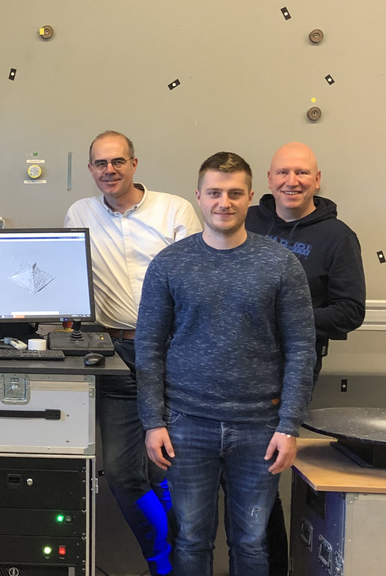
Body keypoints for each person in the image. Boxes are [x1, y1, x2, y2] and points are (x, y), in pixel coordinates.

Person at [137, 152, 316, 576]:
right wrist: (153, 421)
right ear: (198, 196)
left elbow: (301, 348)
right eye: (215, 193)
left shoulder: (280, 264)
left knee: (252, 544)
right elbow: (149, 345)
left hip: (260, 427)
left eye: (235, 194)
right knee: (190, 541)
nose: (224, 202)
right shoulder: (170, 263)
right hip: (185, 424)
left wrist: (289, 425)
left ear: (251, 197)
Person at [63, 130, 200, 576]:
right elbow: (71, 277)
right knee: (124, 473)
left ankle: (181, 563)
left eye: (118, 161)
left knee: (171, 470)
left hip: (173, 352)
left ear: (134, 163)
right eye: (100, 164)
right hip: (115, 353)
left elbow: (197, 277)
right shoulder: (79, 213)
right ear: (90, 169)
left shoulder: (175, 209)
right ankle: (165, 563)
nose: (109, 170)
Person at [244, 142, 366, 576]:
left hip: (289, 372)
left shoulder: (337, 237)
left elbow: (350, 312)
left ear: (317, 180)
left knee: (260, 481)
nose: (290, 182)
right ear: (269, 179)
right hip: (229, 368)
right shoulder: (248, 220)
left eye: (301, 173)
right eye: (282, 173)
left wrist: (287, 319)